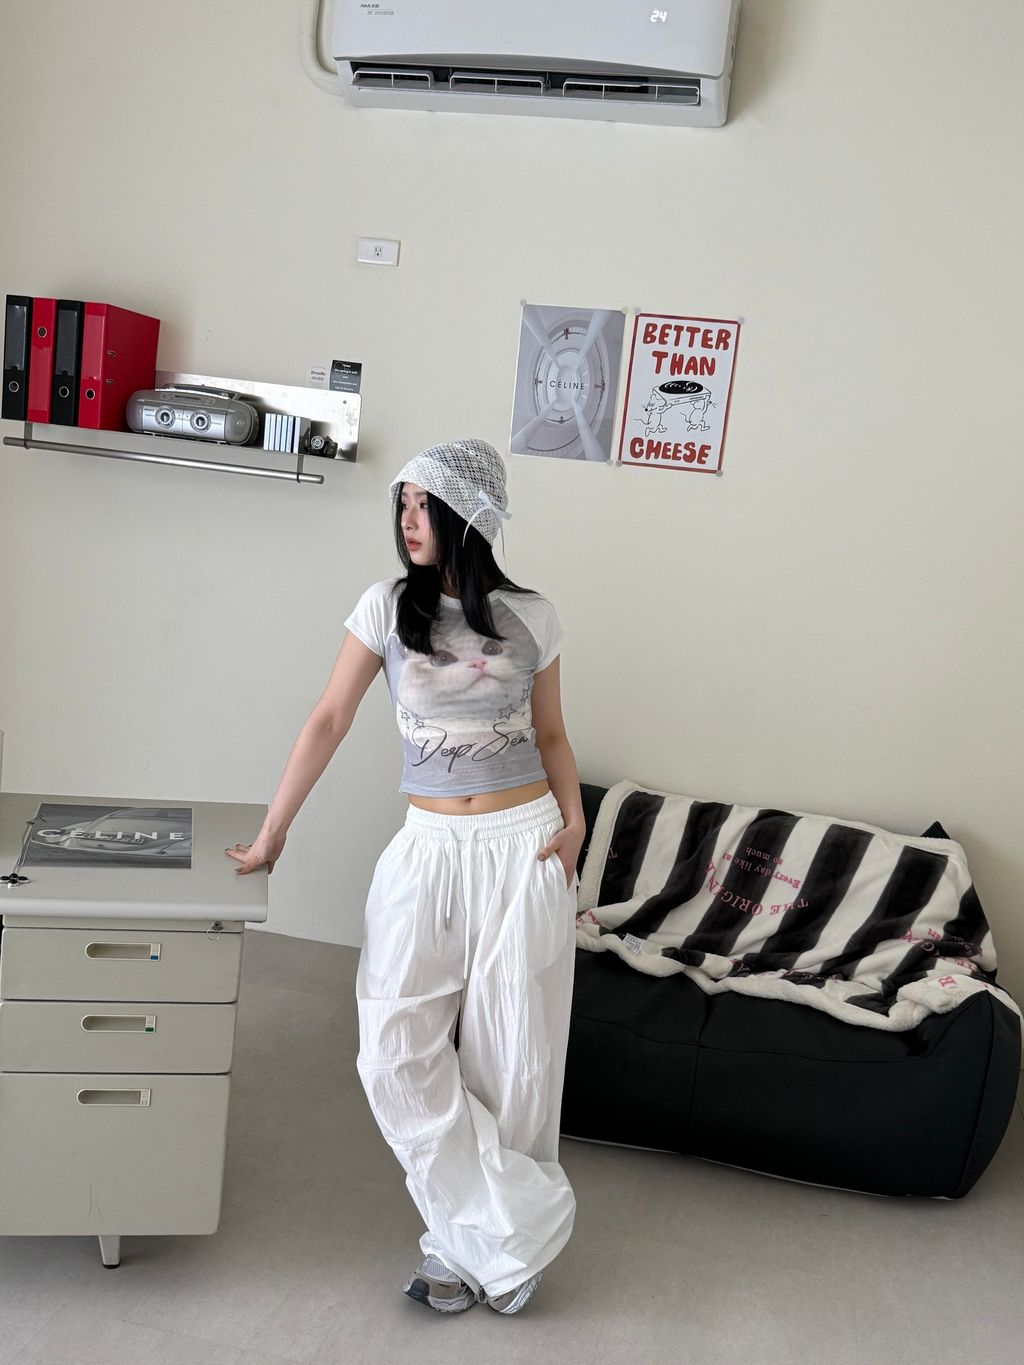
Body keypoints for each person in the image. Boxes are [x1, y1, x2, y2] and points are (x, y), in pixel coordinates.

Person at [225, 437, 585, 1317]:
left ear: (468, 513)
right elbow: (328, 718)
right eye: (403, 504)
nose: (407, 520)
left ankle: (463, 1254)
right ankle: (515, 1231)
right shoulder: (385, 608)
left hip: (524, 843)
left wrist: (576, 823)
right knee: (392, 1049)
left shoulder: (533, 616)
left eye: (424, 505)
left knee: (516, 1057)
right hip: (428, 846)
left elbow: (551, 734)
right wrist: (274, 831)